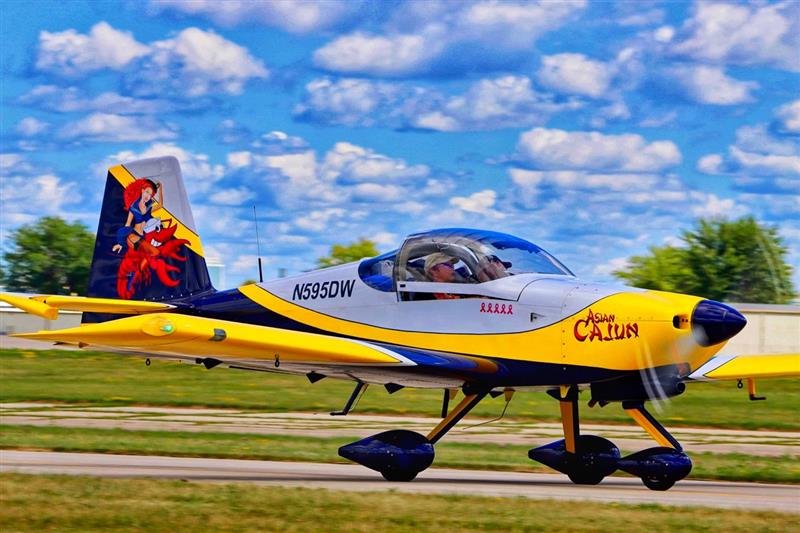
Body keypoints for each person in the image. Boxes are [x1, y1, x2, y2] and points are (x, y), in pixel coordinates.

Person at [112, 178, 163, 255]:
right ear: (142, 190)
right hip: (134, 235)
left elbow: (160, 205)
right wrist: (121, 243)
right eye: (147, 192)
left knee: (156, 251)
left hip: (144, 236)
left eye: (150, 195)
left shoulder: (149, 208)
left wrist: (161, 188)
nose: (148, 196)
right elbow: (128, 223)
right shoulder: (133, 207)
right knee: (153, 252)